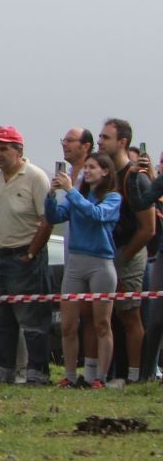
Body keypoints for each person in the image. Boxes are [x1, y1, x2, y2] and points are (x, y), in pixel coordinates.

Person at [0, 126, 53, 386]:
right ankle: (1, 372)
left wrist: (32, 252)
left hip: (25, 255)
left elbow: (47, 220)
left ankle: (37, 373)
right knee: (1, 318)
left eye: (3, 149)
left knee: (32, 319)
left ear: (19, 150)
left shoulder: (36, 177)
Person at [48, 152, 122, 388]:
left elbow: (96, 215)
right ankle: (69, 376)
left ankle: (100, 377)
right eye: (85, 167)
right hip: (75, 262)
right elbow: (55, 216)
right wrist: (51, 195)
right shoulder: (77, 195)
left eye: (92, 167)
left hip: (101, 263)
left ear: (105, 171)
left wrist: (72, 191)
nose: (87, 171)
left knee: (102, 323)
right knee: (69, 324)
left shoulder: (113, 198)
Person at [96, 119, 154, 386]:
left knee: (130, 314)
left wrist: (125, 256)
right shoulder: (105, 176)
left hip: (130, 250)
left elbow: (148, 228)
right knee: (109, 315)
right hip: (108, 251)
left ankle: (134, 376)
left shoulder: (136, 178)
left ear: (122, 142)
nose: (100, 142)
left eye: (106, 137)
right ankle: (112, 373)